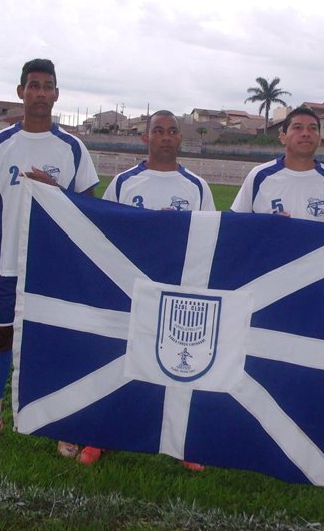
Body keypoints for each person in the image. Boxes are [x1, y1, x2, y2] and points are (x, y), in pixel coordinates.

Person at [0, 58, 99, 452]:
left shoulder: (73, 148)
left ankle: (64, 422)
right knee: (0, 336)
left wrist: (55, 190)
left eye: (47, 86)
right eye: (33, 85)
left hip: (54, 266)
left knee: (56, 338)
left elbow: (88, 210)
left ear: (57, 95)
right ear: (21, 91)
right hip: (7, 263)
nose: (40, 92)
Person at [79, 110, 214, 469]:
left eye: (172, 131)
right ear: (146, 138)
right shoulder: (124, 183)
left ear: (180, 139)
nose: (166, 137)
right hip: (131, 289)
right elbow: (104, 230)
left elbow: (208, 242)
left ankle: (184, 444)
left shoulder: (197, 187)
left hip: (177, 292)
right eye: (158, 131)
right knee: (120, 359)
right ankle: (101, 435)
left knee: (180, 362)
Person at [230, 107, 324, 225]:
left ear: (320, 139)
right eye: (297, 127)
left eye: (313, 128)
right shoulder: (259, 175)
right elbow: (235, 225)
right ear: (283, 137)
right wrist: (265, 224)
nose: (306, 133)